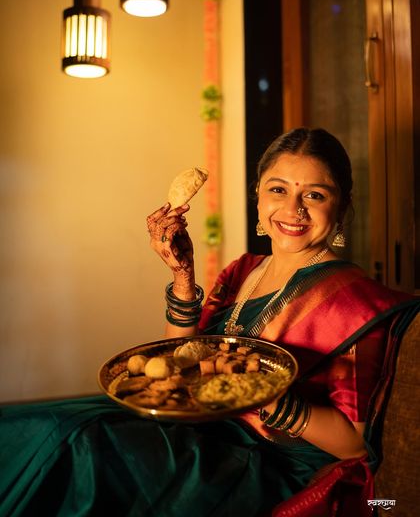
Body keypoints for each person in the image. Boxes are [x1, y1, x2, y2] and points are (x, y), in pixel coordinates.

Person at [0, 128, 418, 517]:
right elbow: (183, 361)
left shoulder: (355, 300)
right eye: (278, 190)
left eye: (315, 195)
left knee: (77, 445)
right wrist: (183, 281)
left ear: (342, 206)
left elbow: (354, 444)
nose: (292, 209)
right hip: (202, 431)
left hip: (268, 464)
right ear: (258, 195)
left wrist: (265, 396)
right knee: (41, 427)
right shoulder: (243, 270)